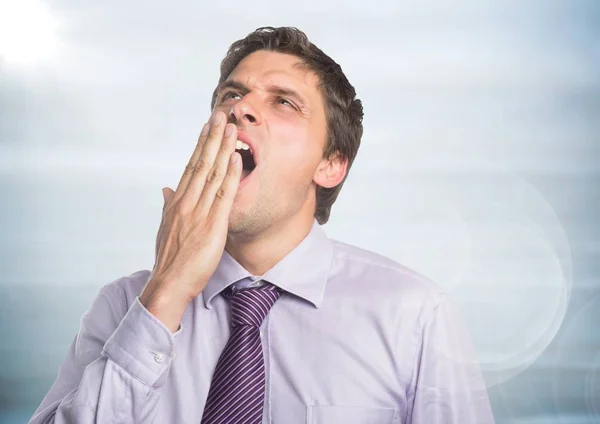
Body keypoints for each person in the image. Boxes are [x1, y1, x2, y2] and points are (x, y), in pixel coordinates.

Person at [29, 26, 495, 424]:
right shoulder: (124, 307)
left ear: (331, 165)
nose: (239, 109)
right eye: (231, 95)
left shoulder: (413, 316)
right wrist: (165, 291)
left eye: (284, 103)